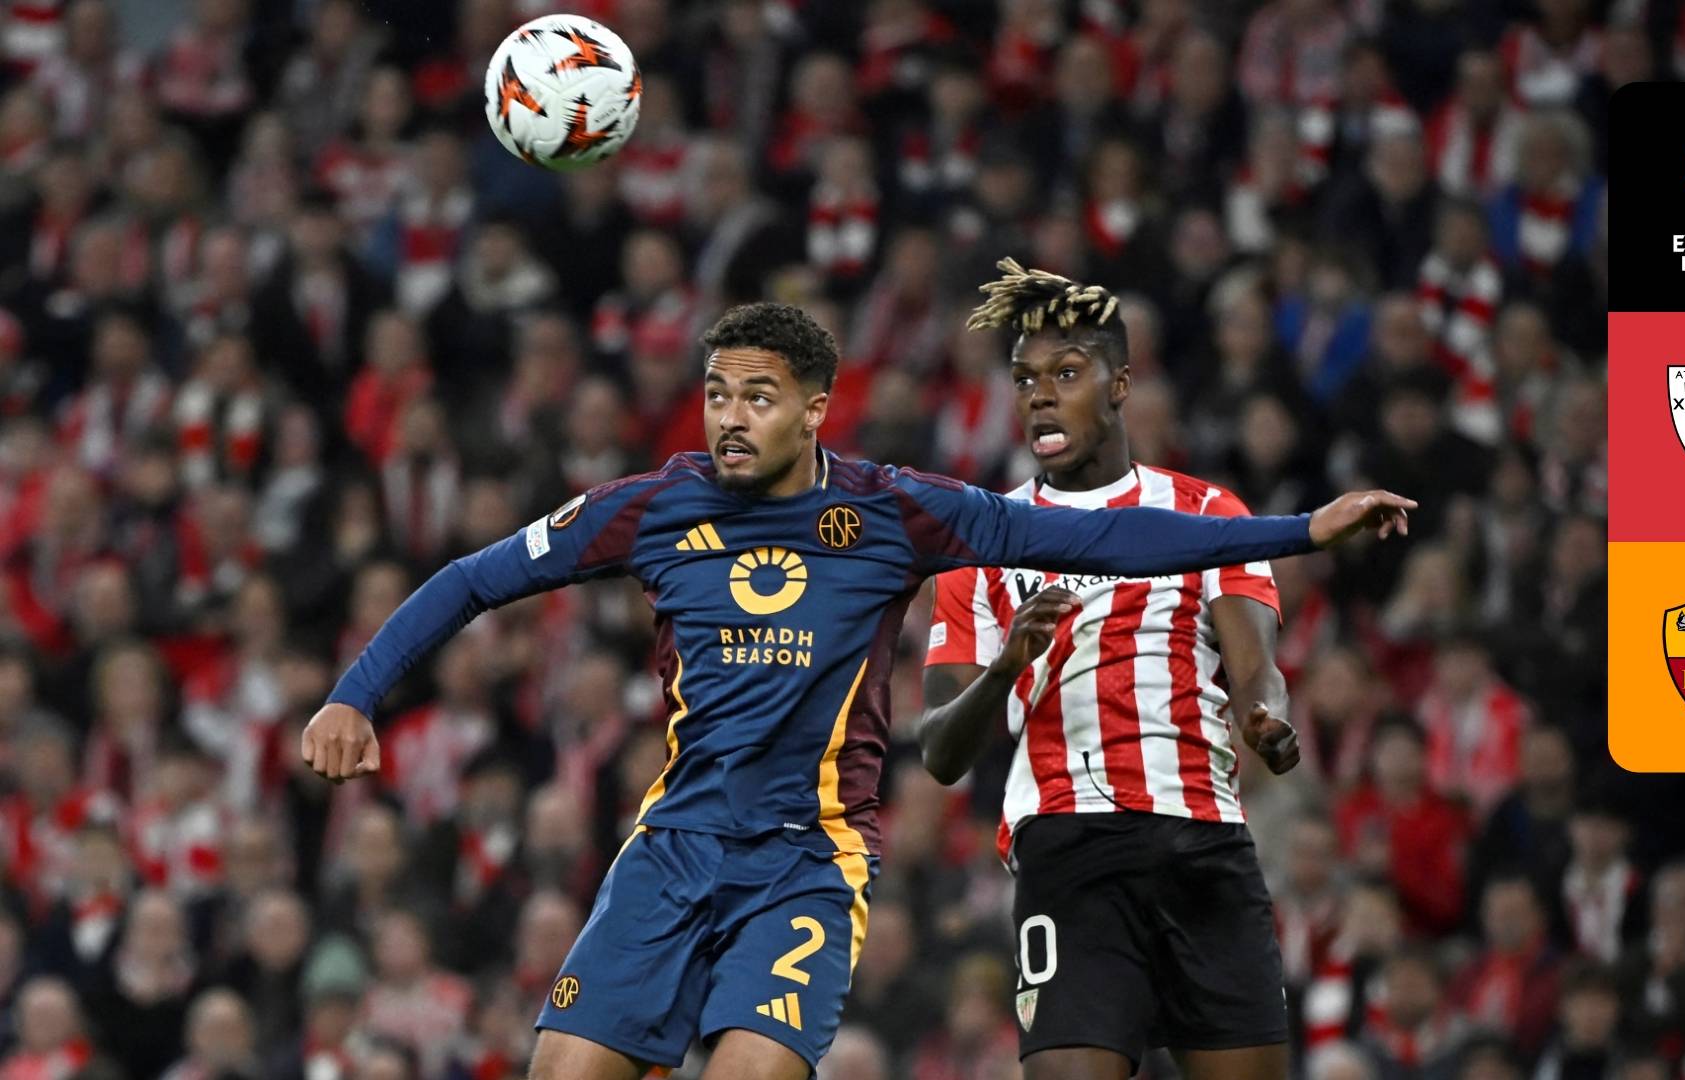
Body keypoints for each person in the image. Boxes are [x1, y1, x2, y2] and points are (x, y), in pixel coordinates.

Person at [300, 299, 1417, 1080]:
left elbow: (1107, 536)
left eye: (758, 397)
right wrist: (356, 694)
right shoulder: (652, 508)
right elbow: (472, 578)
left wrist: (1299, 532)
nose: (729, 418)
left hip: (807, 859)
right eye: (716, 395)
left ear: (816, 407)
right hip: (674, 845)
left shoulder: (895, 512)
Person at [917, 260, 1417, 1080]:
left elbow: (1256, 668)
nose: (1040, 396)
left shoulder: (1208, 513)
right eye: (1025, 379)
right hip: (1069, 848)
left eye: (1066, 374)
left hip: (1201, 840)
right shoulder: (984, 541)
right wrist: (1006, 667)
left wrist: (1265, 719)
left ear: (1119, 385)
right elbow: (940, 751)